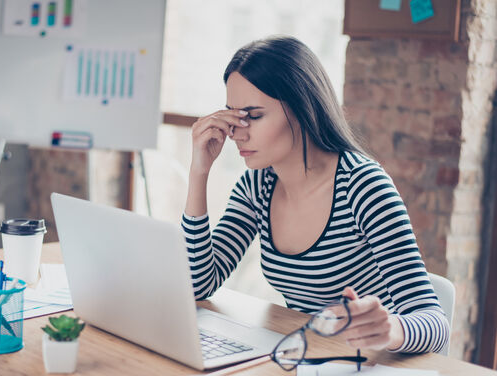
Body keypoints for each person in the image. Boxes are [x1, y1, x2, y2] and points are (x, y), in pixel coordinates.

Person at [182, 35, 449, 353]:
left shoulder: (362, 187)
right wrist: (199, 172)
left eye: (253, 116)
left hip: (373, 360)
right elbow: (198, 284)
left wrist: (392, 329)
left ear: (302, 108)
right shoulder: (257, 186)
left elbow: (435, 322)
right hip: (310, 355)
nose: (237, 132)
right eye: (233, 116)